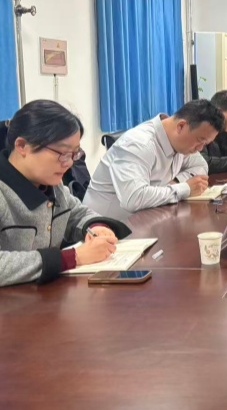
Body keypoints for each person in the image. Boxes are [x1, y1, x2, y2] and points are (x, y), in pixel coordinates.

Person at [0, 100, 130, 287]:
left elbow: (76, 213)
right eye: (61, 153)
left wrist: (95, 227)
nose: (68, 163)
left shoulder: (52, 184)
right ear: (22, 146)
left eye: (74, 154)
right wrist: (72, 257)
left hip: (47, 295)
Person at [83, 99, 224, 222]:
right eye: (200, 140)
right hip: (105, 228)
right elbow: (134, 198)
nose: (200, 148)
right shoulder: (139, 144)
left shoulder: (181, 144)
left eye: (205, 144)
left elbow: (200, 165)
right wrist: (184, 188)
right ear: (181, 126)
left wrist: (176, 182)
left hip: (146, 221)